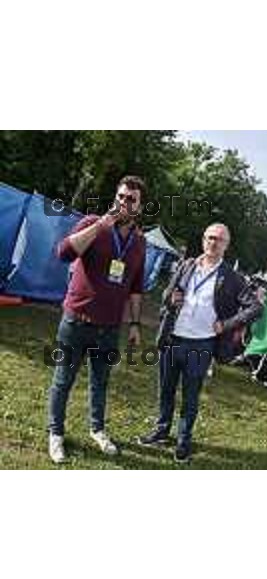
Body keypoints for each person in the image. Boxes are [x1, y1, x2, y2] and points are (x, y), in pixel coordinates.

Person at [139, 223, 262, 462]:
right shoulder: (187, 265)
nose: (212, 243)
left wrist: (226, 325)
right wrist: (171, 298)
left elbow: (256, 307)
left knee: (190, 396)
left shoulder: (232, 277)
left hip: (200, 345)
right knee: (165, 389)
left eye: (218, 239)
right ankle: (161, 431)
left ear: (226, 245)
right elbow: (166, 296)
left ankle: (184, 441)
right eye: (209, 238)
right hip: (173, 338)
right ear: (203, 240)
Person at [47, 175, 147, 464]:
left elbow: (137, 286)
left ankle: (97, 429)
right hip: (76, 321)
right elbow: (64, 252)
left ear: (139, 206)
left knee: (100, 382)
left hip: (109, 327)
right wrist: (100, 226)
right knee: (63, 380)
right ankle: (55, 433)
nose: (123, 202)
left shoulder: (139, 243)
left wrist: (136, 325)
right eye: (121, 196)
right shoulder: (92, 222)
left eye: (131, 199)